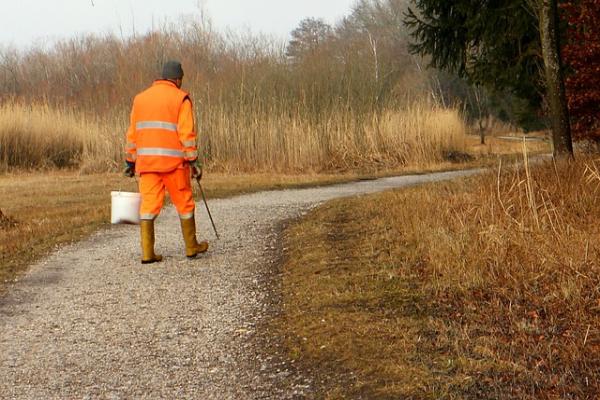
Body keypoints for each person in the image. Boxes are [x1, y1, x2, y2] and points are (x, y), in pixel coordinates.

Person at [124, 60, 208, 264]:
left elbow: (133, 134)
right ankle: (191, 247)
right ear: (178, 79)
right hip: (174, 165)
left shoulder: (140, 99)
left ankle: (147, 253)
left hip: (147, 164)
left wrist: (130, 161)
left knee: (148, 206)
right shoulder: (181, 99)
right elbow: (186, 134)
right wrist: (193, 161)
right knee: (184, 204)